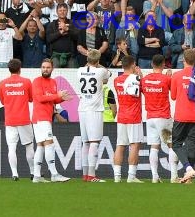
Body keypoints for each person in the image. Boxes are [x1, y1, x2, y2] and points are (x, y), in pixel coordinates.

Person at [170, 48, 195, 183]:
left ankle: (188, 168)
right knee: (192, 144)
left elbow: (173, 97)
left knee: (176, 144)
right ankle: (189, 178)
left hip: (181, 115)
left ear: (183, 59)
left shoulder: (176, 76)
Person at [31, 59, 71, 183]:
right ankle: (54, 174)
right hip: (40, 117)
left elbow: (52, 100)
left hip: (44, 117)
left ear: (52, 68)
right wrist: (57, 95)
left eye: (48, 67)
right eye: (43, 67)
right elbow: (40, 98)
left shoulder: (53, 82)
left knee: (40, 145)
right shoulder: (37, 81)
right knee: (49, 143)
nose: (45, 69)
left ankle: (37, 176)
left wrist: (62, 98)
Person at [140, 54, 178, 183]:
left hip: (150, 118)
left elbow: (144, 92)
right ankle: (174, 176)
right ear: (163, 65)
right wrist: (170, 78)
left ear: (151, 64)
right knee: (171, 145)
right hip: (163, 118)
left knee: (154, 147)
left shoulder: (145, 79)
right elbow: (174, 94)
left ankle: (154, 176)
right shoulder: (166, 79)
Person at [0, 59, 35, 181]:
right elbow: (31, 99)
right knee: (29, 146)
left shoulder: (3, 83)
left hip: (10, 119)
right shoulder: (26, 82)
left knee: (11, 147)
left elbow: (3, 101)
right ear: (20, 68)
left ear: (9, 69)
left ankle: (14, 174)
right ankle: (33, 172)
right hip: (24, 119)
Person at [78, 49, 111, 183]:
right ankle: (92, 175)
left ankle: (85, 175)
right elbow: (107, 77)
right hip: (95, 110)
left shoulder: (79, 70)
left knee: (85, 142)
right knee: (94, 142)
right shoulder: (100, 71)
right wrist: (98, 64)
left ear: (87, 60)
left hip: (82, 109)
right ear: (98, 61)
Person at [113, 55, 144, 183]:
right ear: (132, 65)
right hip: (134, 116)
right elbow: (141, 91)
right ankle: (131, 177)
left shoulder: (116, 80)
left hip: (121, 116)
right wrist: (140, 76)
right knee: (134, 145)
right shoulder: (136, 79)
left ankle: (117, 177)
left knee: (120, 145)